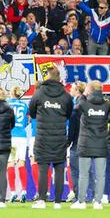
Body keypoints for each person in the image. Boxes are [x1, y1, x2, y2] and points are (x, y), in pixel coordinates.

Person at [28, 66, 73, 209]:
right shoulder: (66, 95)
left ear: (47, 77)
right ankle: (58, 202)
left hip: (42, 136)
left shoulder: (39, 93)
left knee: (43, 168)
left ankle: (41, 200)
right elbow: (69, 113)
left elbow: (32, 112)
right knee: (59, 168)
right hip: (60, 136)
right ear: (59, 78)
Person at [72, 81, 109, 209]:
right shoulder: (107, 104)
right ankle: (98, 202)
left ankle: (81, 201)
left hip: (86, 143)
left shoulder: (84, 103)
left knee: (83, 174)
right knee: (100, 175)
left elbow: (76, 109)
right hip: (101, 143)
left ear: (90, 90)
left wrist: (83, 95)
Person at [7, 86, 31, 203]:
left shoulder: (7, 104)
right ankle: (24, 191)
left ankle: (12, 192)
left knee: (10, 163)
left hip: (11, 137)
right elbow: (27, 121)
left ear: (11, 93)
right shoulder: (24, 105)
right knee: (22, 163)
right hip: (22, 137)